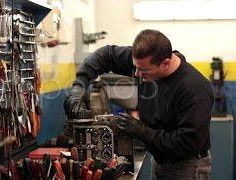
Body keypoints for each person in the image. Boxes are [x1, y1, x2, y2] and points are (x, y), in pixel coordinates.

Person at [64, 29, 214, 180]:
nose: (136, 74)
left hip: (186, 167)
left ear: (165, 63)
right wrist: (79, 86)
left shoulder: (194, 89)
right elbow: (106, 55)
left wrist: (142, 131)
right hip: (159, 159)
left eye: (143, 71)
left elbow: (187, 144)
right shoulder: (146, 62)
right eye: (135, 67)